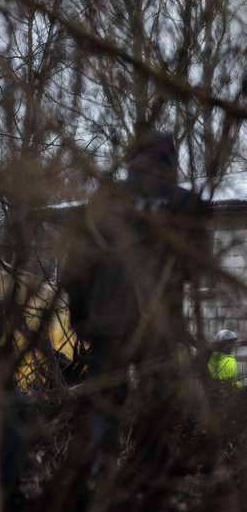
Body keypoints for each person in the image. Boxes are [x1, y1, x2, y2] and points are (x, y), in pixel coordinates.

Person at [51, 129, 207, 510]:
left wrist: (79, 315)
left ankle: (99, 477)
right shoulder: (183, 202)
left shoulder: (106, 197)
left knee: (103, 402)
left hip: (107, 324)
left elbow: (77, 264)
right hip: (158, 327)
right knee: (158, 406)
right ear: (171, 161)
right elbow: (195, 268)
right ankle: (148, 486)